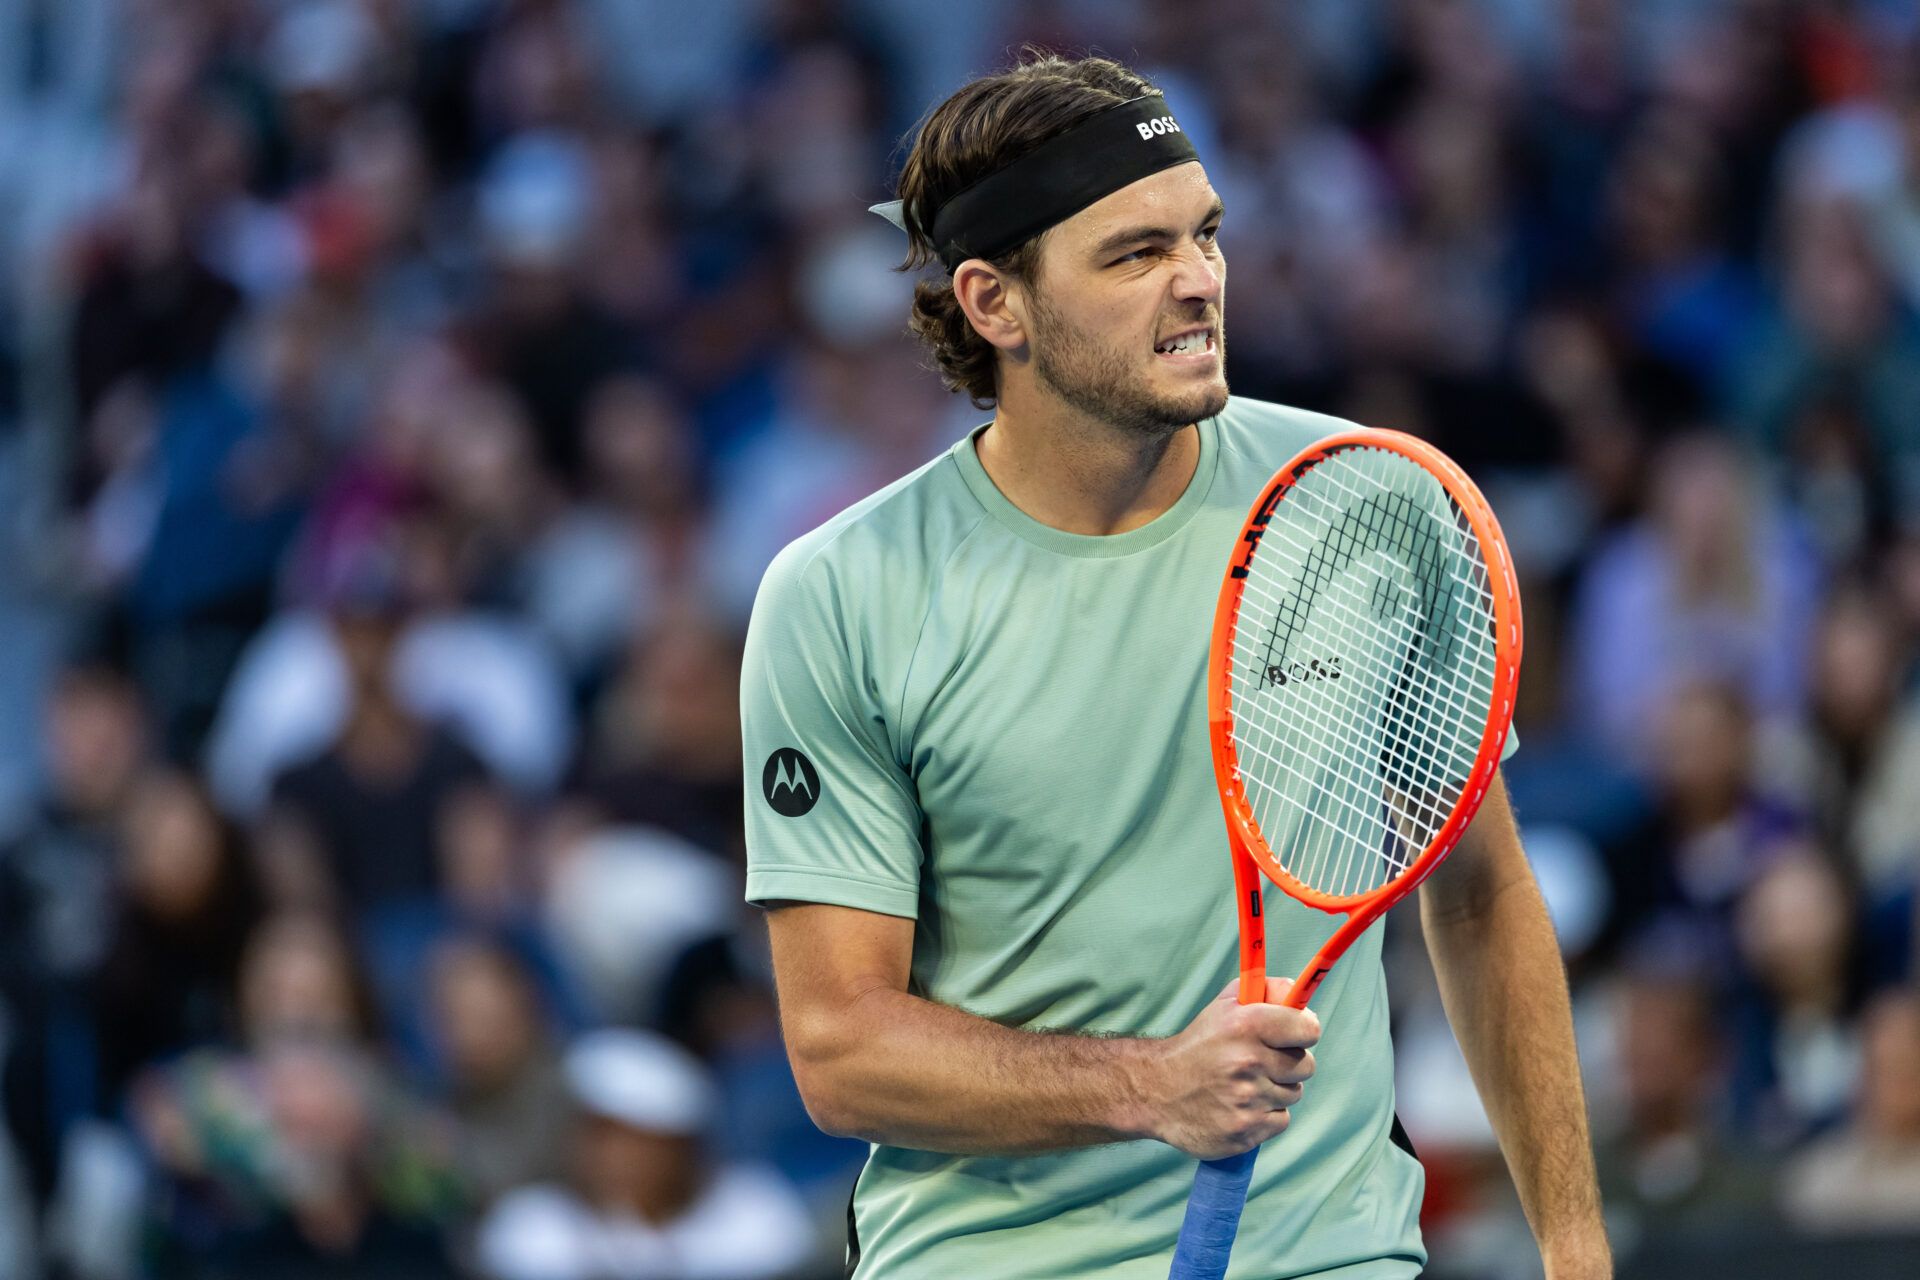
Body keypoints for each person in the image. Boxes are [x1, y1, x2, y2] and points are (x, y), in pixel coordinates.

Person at [739, 52, 1608, 1280]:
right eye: (1135, 254)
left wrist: (1576, 1246)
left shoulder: (1375, 500)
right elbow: (839, 1048)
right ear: (996, 304)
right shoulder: (839, 593)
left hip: (1332, 1251)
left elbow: (1478, 893)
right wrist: (1153, 1086)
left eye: (1206, 235)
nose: (1199, 281)